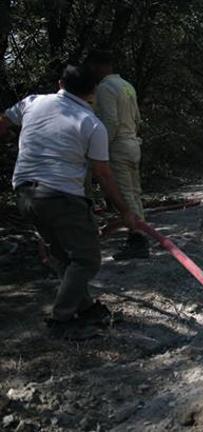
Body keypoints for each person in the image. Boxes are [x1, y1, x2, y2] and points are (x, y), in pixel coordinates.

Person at [0, 65, 140, 339]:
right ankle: (62, 317)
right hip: (61, 197)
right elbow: (102, 174)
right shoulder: (90, 123)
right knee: (87, 259)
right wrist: (126, 211)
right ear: (93, 92)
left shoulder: (33, 102)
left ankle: (84, 306)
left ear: (60, 83)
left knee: (62, 254)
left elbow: (3, 121)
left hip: (25, 193)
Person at [85, 49, 149, 260]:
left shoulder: (105, 88)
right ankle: (140, 233)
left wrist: (100, 148)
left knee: (124, 194)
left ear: (97, 66)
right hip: (132, 143)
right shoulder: (127, 86)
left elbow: (110, 121)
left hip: (119, 146)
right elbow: (138, 118)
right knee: (134, 191)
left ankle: (137, 239)